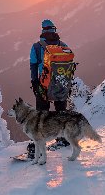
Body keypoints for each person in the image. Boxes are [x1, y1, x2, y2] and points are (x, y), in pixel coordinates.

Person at [27, 19, 70, 159]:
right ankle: (63, 138)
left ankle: (37, 145)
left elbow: (33, 66)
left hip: (43, 85)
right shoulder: (63, 45)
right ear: (54, 30)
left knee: (41, 114)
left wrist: (34, 83)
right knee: (60, 112)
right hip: (61, 84)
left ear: (42, 30)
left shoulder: (37, 47)